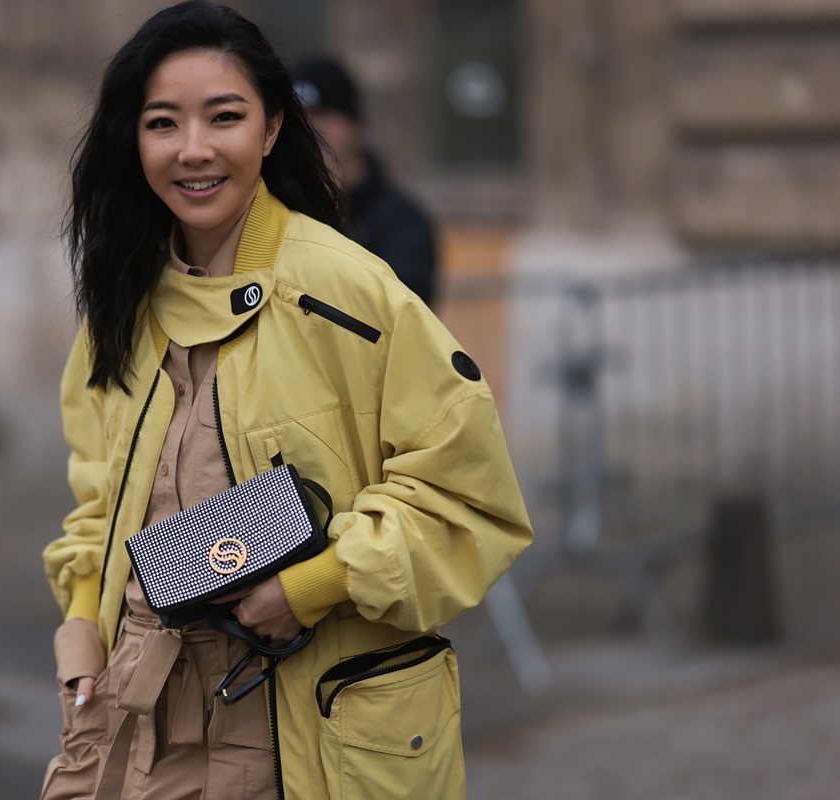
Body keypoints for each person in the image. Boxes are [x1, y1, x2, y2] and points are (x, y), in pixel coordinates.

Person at [41, 3, 532, 798]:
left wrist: (311, 586)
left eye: (224, 117)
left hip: (305, 730)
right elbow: (98, 508)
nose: (193, 149)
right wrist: (77, 634)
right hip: (145, 729)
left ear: (271, 130)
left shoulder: (347, 289)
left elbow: (471, 498)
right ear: (133, 141)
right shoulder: (120, 305)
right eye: (163, 123)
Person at [292, 54, 440, 305]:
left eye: (324, 115)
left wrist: (330, 210)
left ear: (354, 124)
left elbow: (408, 300)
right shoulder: (281, 204)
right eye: (299, 119)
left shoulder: (401, 219)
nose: (312, 130)